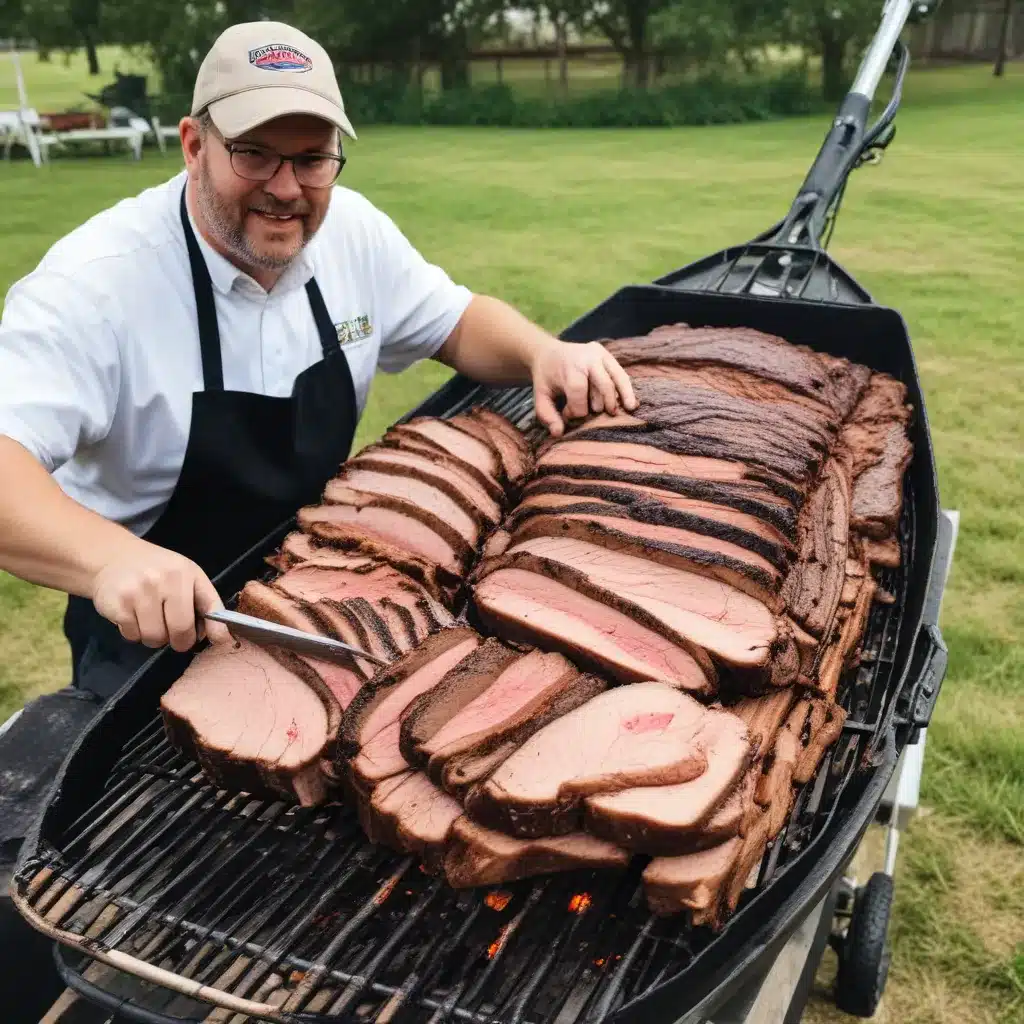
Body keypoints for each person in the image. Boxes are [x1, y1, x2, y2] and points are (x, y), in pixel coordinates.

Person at [0, 20, 637, 702]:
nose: (286, 187)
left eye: (311, 158)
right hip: (156, 638)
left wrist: (541, 351)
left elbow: (455, 322)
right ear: (193, 145)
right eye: (255, 155)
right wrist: (110, 562)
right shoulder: (95, 285)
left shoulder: (352, 233)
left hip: (323, 594)